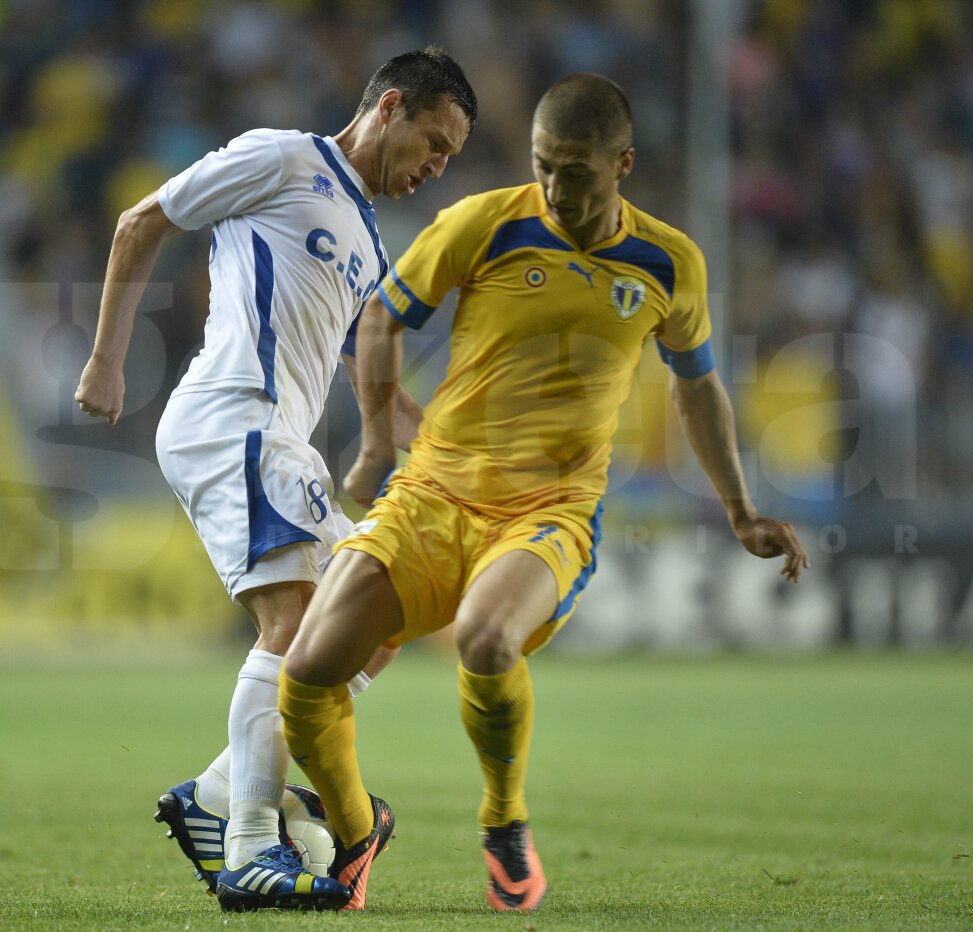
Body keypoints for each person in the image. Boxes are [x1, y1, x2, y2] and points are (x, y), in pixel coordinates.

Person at [278, 73, 810, 912]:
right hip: (433, 491)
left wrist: (740, 508)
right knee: (305, 673)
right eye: (544, 165)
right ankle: (354, 834)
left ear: (623, 164)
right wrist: (381, 441)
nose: (556, 188)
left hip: (549, 511)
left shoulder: (669, 262)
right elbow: (381, 317)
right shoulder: (484, 223)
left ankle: (503, 818)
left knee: (485, 641)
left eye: (577, 171)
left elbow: (697, 387)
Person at [74, 47, 476, 913]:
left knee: (375, 622)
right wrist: (108, 358)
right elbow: (140, 222)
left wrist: (435, 436)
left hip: (279, 435)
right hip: (234, 413)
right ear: (390, 107)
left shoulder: (368, 237)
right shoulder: (284, 157)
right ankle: (253, 847)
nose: (436, 169)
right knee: (293, 624)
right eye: (433, 143)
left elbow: (354, 364)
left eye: (450, 158)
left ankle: (219, 794)